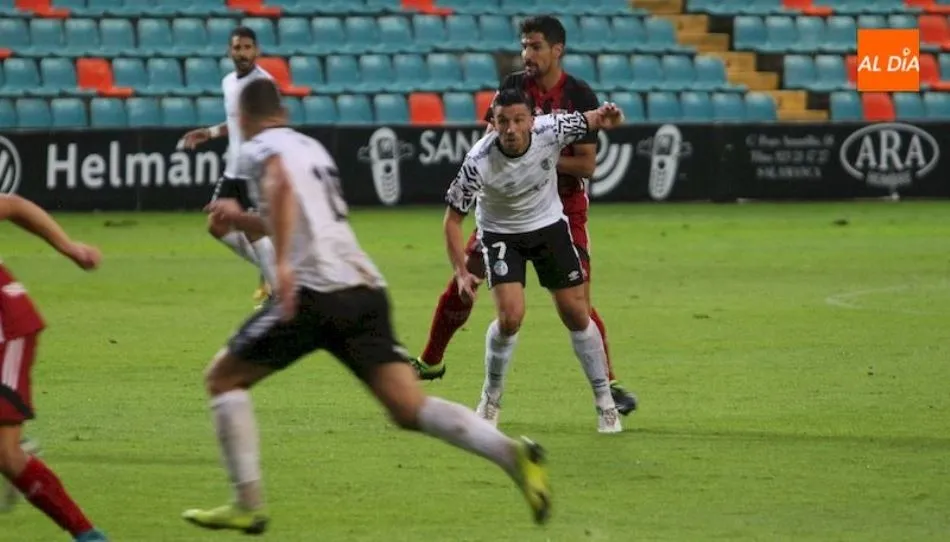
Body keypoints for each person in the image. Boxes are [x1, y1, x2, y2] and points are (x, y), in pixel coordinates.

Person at [183, 79, 551, 534]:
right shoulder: (312, 149)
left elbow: (277, 186)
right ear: (282, 112)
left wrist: (277, 266)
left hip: (314, 294)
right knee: (408, 407)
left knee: (222, 379)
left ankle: (247, 502)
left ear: (242, 119)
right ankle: (509, 453)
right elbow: (304, 214)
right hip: (364, 289)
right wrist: (243, 220)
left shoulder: (258, 149)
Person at [411, 15, 638, 417]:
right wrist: (512, 165)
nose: (526, 54)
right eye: (524, 46)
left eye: (534, 46)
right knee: (467, 274)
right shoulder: (513, 87)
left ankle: (610, 382)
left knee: (576, 299)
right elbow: (493, 142)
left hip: (562, 208)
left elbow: (585, 166)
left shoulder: (579, 94)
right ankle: (431, 360)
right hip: (505, 207)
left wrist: (539, 157)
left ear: (557, 50)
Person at [443, 89, 626, 434]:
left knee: (577, 315)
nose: (510, 129)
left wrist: (610, 117)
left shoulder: (551, 129)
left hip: (548, 228)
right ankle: (490, 398)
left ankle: (605, 401)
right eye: (502, 121)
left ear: (531, 119)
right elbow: (452, 219)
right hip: (500, 234)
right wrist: (461, 271)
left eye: (518, 120)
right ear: (493, 123)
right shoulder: (478, 160)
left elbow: (594, 118)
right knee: (510, 318)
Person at [0, 194, 109, 541]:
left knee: (6, 454)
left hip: (5, 328)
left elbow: (13, 205)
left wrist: (69, 247)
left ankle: (89, 536)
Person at [180, 26, 276, 307]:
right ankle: (271, 270)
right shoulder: (229, 82)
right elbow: (234, 122)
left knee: (253, 228)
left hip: (255, 171)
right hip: (233, 169)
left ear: (256, 51)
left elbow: (274, 127)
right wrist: (209, 133)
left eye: (247, 48)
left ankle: (279, 296)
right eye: (237, 48)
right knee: (217, 225)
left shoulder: (263, 85)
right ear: (229, 51)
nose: (243, 53)